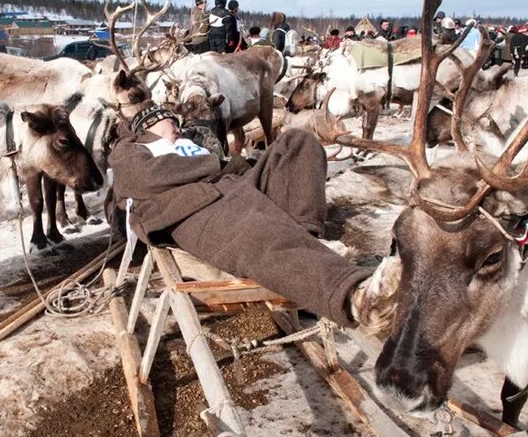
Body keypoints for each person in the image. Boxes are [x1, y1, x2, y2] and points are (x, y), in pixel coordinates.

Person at [108, 103, 400, 336]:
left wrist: (245, 165)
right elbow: (140, 180)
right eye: (171, 121)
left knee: (298, 143)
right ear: (150, 123)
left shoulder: (185, 143)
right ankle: (357, 299)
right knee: (257, 233)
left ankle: (307, 247)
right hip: (189, 207)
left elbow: (231, 167)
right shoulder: (132, 148)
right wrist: (216, 163)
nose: (179, 127)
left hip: (230, 186)